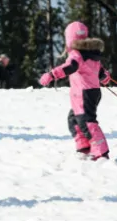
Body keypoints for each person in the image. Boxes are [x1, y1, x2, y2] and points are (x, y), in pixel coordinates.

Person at [39, 21, 112, 161]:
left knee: (86, 121)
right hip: (92, 92)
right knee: (73, 119)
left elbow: (70, 67)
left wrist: (51, 75)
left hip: (84, 93)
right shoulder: (91, 53)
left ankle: (101, 151)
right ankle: (84, 145)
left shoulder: (76, 55)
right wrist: (105, 77)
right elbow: (100, 71)